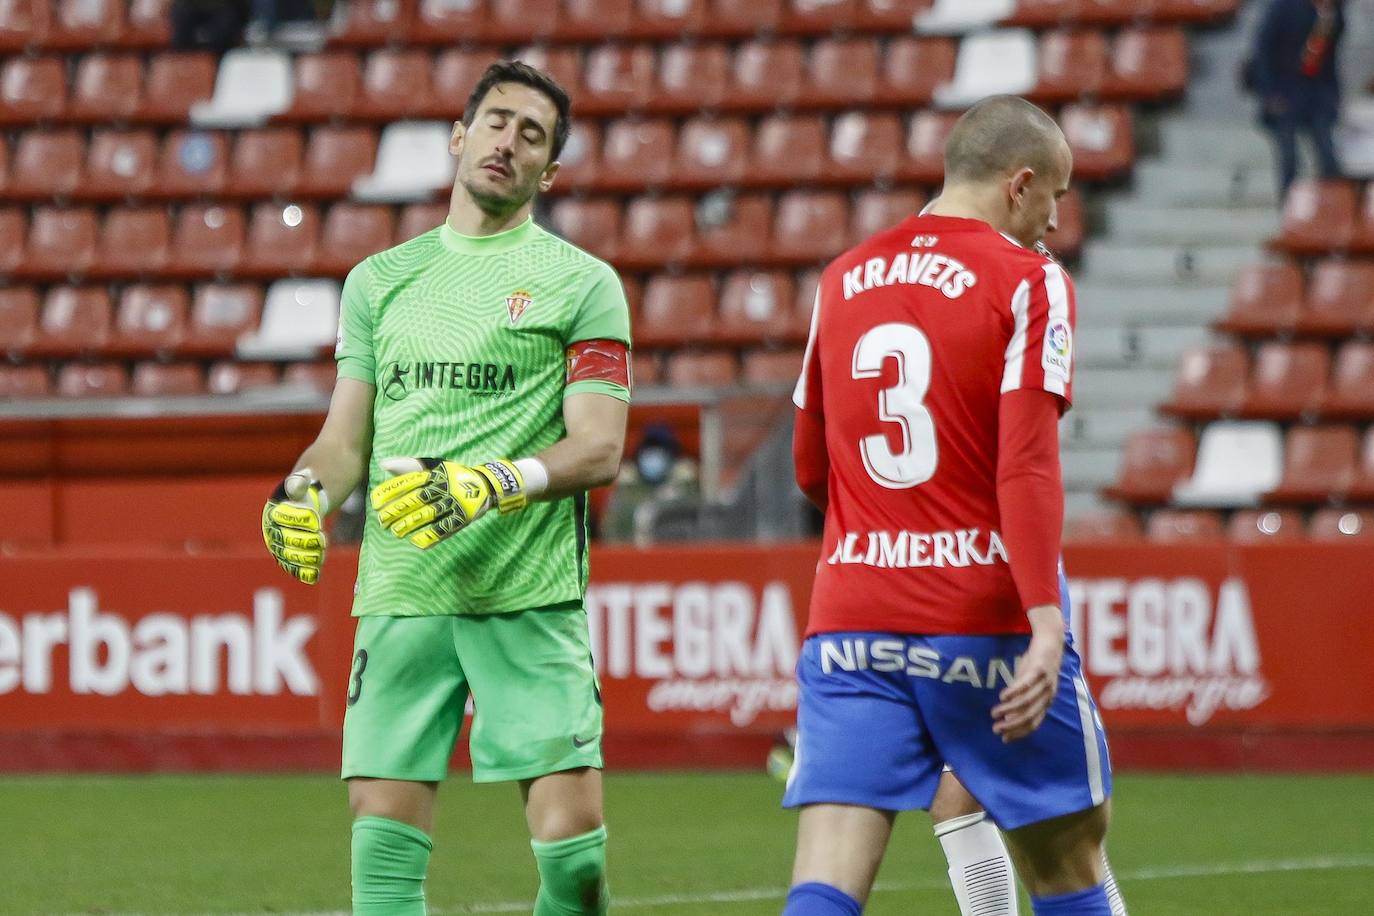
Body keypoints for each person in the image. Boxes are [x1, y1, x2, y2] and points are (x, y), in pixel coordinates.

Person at [260, 61, 631, 915]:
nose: (509, 141)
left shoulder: (583, 282)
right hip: (403, 596)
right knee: (384, 876)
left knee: (575, 867)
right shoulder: (379, 282)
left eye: (532, 135)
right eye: (497, 122)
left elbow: (599, 449)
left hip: (528, 598)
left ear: (550, 172)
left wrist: (493, 481)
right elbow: (342, 442)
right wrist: (300, 493)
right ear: (460, 138)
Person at [782, 95, 1125, 916]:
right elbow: (1027, 465)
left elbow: (808, 466)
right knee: (1070, 859)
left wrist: (885, 532)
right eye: (1057, 197)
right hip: (983, 613)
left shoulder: (843, 278)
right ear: (1020, 185)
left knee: (826, 877)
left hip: (851, 615)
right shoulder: (1031, 279)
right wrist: (1045, 618)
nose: (1055, 220)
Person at [1250, 0, 1346, 199]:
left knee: (1328, 155)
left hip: (1318, 93)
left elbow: (1331, 58)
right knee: (1289, 157)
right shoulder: (1283, 7)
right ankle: (1290, 210)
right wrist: (1269, 94)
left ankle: (1332, 210)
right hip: (1284, 91)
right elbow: (1262, 51)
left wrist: (1334, 93)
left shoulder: (1333, 13)